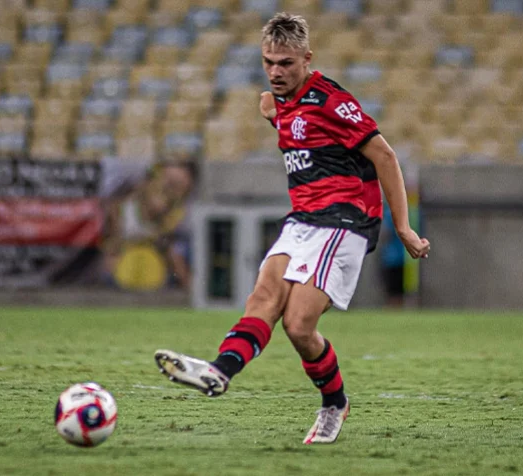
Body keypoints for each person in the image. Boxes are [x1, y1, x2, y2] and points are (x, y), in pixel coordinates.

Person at [154, 13, 431, 445]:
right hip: (302, 219)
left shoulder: (332, 102)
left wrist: (403, 227)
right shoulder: (275, 102)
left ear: (307, 59)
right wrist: (272, 116)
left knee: (298, 325)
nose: (276, 72)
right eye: (269, 62)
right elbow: (296, 131)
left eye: (286, 63)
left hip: (345, 218)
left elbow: (386, 156)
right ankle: (219, 371)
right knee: (263, 296)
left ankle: (334, 402)